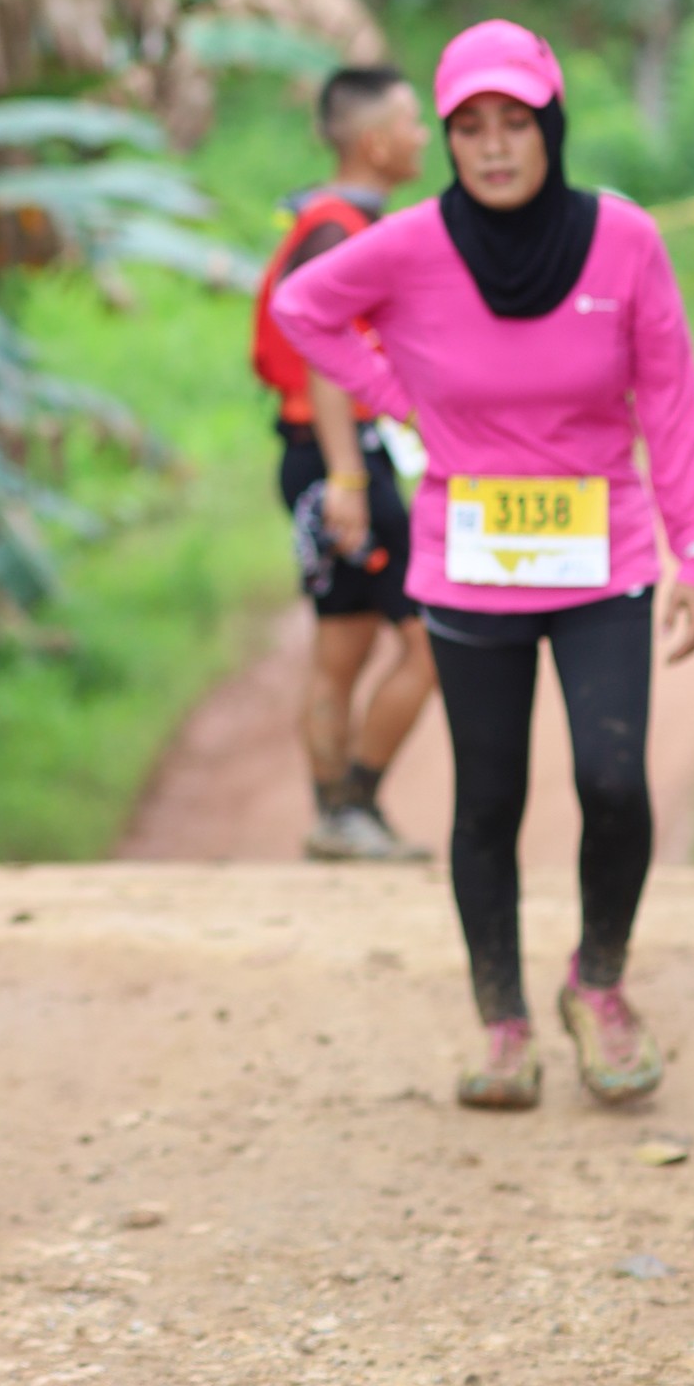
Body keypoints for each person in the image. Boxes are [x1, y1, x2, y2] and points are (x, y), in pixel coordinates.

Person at [273, 20, 694, 1111]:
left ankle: (597, 985)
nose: (493, 147)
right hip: (472, 563)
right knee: (489, 797)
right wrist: (400, 396)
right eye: (469, 127)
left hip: (603, 557)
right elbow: (302, 308)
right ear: (448, 140)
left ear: (549, 126)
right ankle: (503, 1024)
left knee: (613, 782)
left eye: (514, 122)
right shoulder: (412, 244)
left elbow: (670, 394)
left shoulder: (623, 240)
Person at [252, 62, 439, 861]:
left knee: (348, 645)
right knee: (421, 641)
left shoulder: (338, 220)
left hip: (338, 459)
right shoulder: (335, 229)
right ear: (375, 142)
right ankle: (348, 807)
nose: (424, 136)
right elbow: (320, 351)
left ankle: (342, 815)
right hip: (340, 460)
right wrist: (349, 480)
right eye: (413, 122)